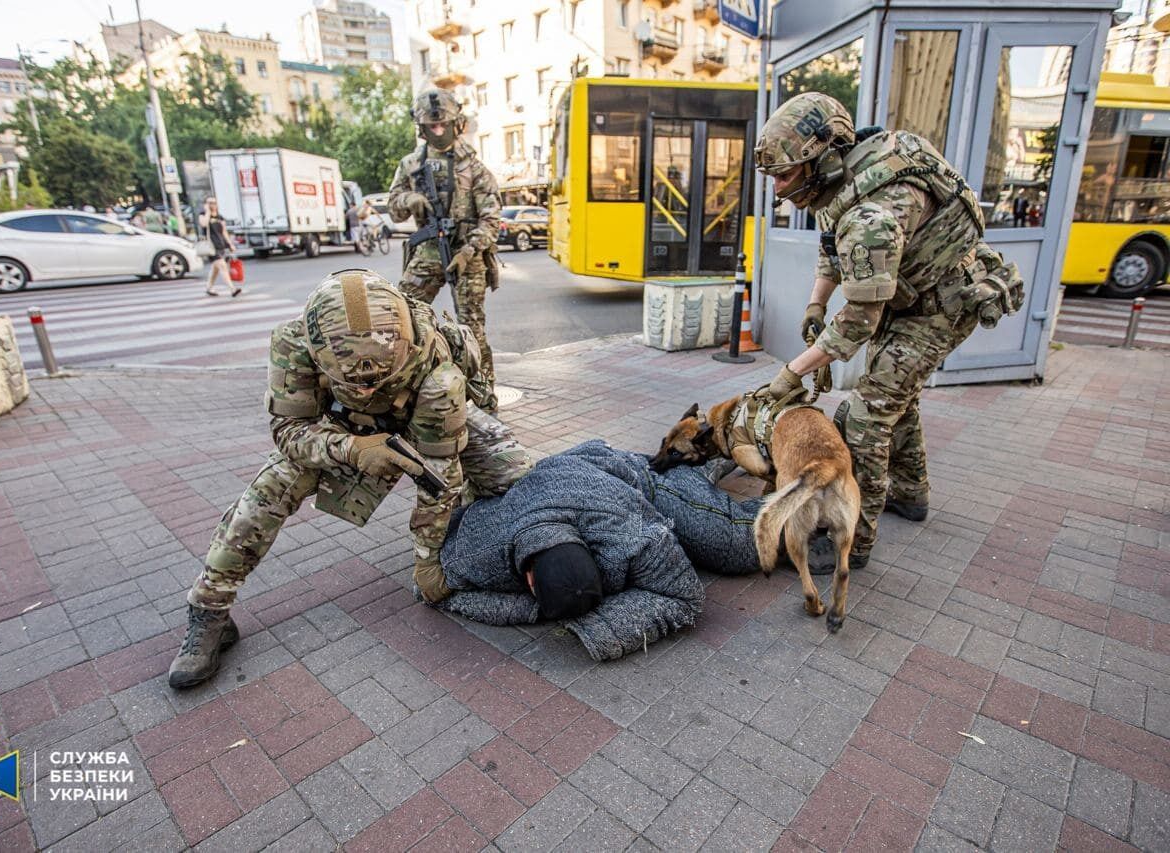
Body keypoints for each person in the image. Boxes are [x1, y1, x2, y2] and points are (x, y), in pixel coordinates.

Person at [167, 270, 533, 688]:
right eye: (350, 381)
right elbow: (289, 431)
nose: (362, 389)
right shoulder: (295, 344)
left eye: (374, 380)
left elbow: (441, 471)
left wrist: (428, 560)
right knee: (269, 490)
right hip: (342, 430)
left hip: (428, 417)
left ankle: (471, 545)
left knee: (513, 473)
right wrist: (353, 449)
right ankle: (209, 610)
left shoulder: (435, 363)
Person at [753, 92, 1022, 571]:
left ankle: (849, 543)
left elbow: (859, 322)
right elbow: (832, 243)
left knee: (863, 418)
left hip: (941, 305)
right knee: (895, 398)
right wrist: (817, 301)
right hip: (910, 290)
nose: (777, 189)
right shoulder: (840, 181)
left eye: (785, 175)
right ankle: (911, 493)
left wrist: (792, 373)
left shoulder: (873, 217)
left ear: (824, 157)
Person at [438, 440, 767, 661]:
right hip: (564, 478)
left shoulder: (628, 531)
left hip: (630, 478)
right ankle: (702, 471)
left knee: (738, 547)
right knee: (708, 515)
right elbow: (436, 590)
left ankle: (740, 463)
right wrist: (535, 609)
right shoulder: (478, 547)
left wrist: (599, 629)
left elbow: (685, 597)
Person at [389, 88, 501, 391]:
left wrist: (470, 250)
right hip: (427, 251)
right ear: (422, 128)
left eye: (443, 124)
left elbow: (492, 218)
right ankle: (407, 384)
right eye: (431, 126)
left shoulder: (473, 167)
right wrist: (409, 199)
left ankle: (483, 390)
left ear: (457, 124)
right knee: (402, 317)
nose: (438, 130)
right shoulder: (411, 165)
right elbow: (394, 208)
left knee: (471, 328)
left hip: (467, 255)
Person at [200, 197, 239, 297]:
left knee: (215, 269)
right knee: (222, 266)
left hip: (220, 244)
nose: (212, 205)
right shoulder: (203, 215)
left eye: (214, 203)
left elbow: (224, 231)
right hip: (210, 246)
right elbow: (203, 224)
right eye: (210, 203)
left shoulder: (220, 217)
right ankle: (232, 289)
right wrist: (207, 212)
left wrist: (230, 244)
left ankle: (209, 287)